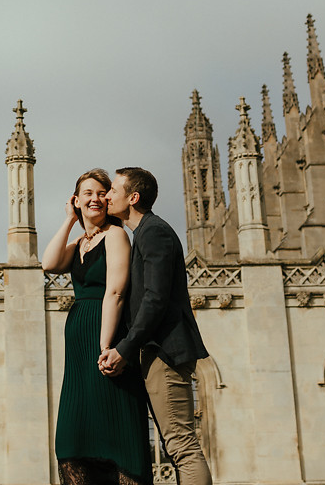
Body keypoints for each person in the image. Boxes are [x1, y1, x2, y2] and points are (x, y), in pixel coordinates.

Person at [98, 167, 211, 485]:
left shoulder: (154, 232)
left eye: (114, 191)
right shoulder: (143, 233)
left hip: (166, 350)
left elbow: (156, 300)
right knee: (176, 444)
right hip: (156, 350)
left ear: (133, 198)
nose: (107, 196)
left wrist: (125, 348)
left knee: (182, 446)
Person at [42, 168, 153, 485]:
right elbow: (49, 264)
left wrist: (105, 346)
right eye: (87, 193)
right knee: (72, 439)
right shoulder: (79, 242)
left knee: (116, 432)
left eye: (101, 192)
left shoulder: (116, 235)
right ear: (76, 200)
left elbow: (115, 292)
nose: (95, 198)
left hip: (105, 334)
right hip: (79, 340)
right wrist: (69, 220)